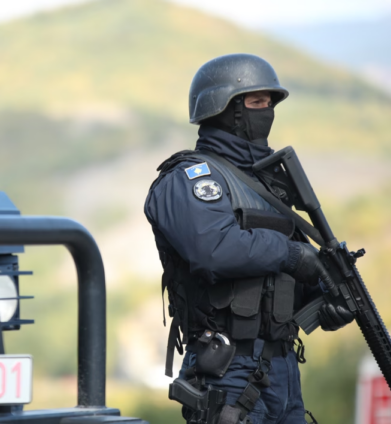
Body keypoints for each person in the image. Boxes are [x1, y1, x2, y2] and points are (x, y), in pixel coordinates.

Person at [144, 54, 355, 424]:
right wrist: (291, 254)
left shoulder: (270, 186)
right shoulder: (188, 178)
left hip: (283, 368)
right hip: (227, 367)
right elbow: (213, 249)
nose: (267, 112)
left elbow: (291, 273)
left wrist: (327, 301)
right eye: (257, 102)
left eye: (270, 103)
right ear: (226, 109)